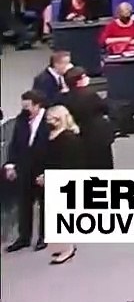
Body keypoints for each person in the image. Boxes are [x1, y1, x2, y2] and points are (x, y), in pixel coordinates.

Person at [4, 91, 50, 252]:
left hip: (42, 167)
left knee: (45, 203)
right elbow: (14, 143)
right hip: (24, 167)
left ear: (37, 105)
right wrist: (10, 164)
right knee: (24, 203)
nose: (25, 110)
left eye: (27, 106)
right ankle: (24, 237)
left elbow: (53, 148)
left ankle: (44, 236)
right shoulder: (21, 120)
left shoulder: (49, 120)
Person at [42, 104, 84, 264]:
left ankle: (68, 249)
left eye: (50, 118)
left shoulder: (68, 138)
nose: (48, 121)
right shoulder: (53, 135)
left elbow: (69, 163)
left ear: (59, 119)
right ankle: (62, 246)